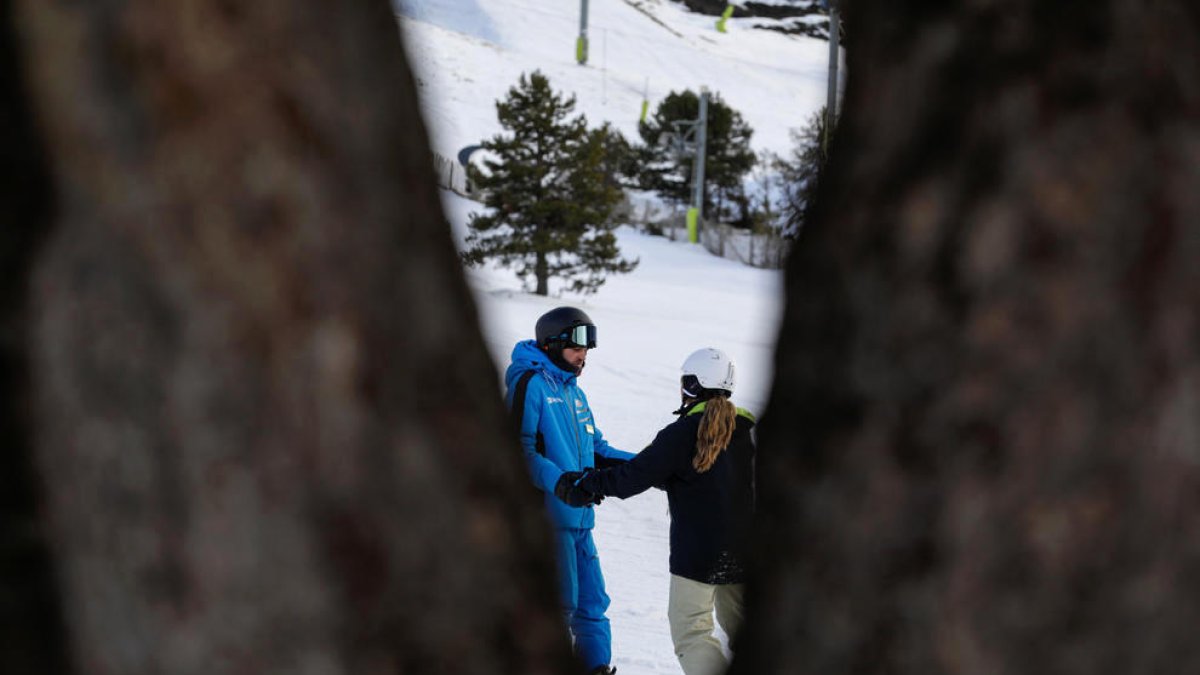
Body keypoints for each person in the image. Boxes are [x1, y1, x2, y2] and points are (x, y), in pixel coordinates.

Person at [560, 347, 755, 675]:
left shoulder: (682, 433)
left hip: (698, 554)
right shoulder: (748, 432)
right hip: (746, 550)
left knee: (693, 632)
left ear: (693, 385)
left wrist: (586, 482)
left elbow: (633, 478)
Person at [505, 306, 635, 675]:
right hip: (547, 518)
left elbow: (598, 450)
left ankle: (597, 669)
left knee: (593, 605)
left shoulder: (574, 393)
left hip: (579, 519)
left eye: (587, 349)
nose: (583, 356)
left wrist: (651, 466)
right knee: (558, 607)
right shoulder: (530, 383)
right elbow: (517, 451)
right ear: (552, 343)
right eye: (577, 347)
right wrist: (562, 483)